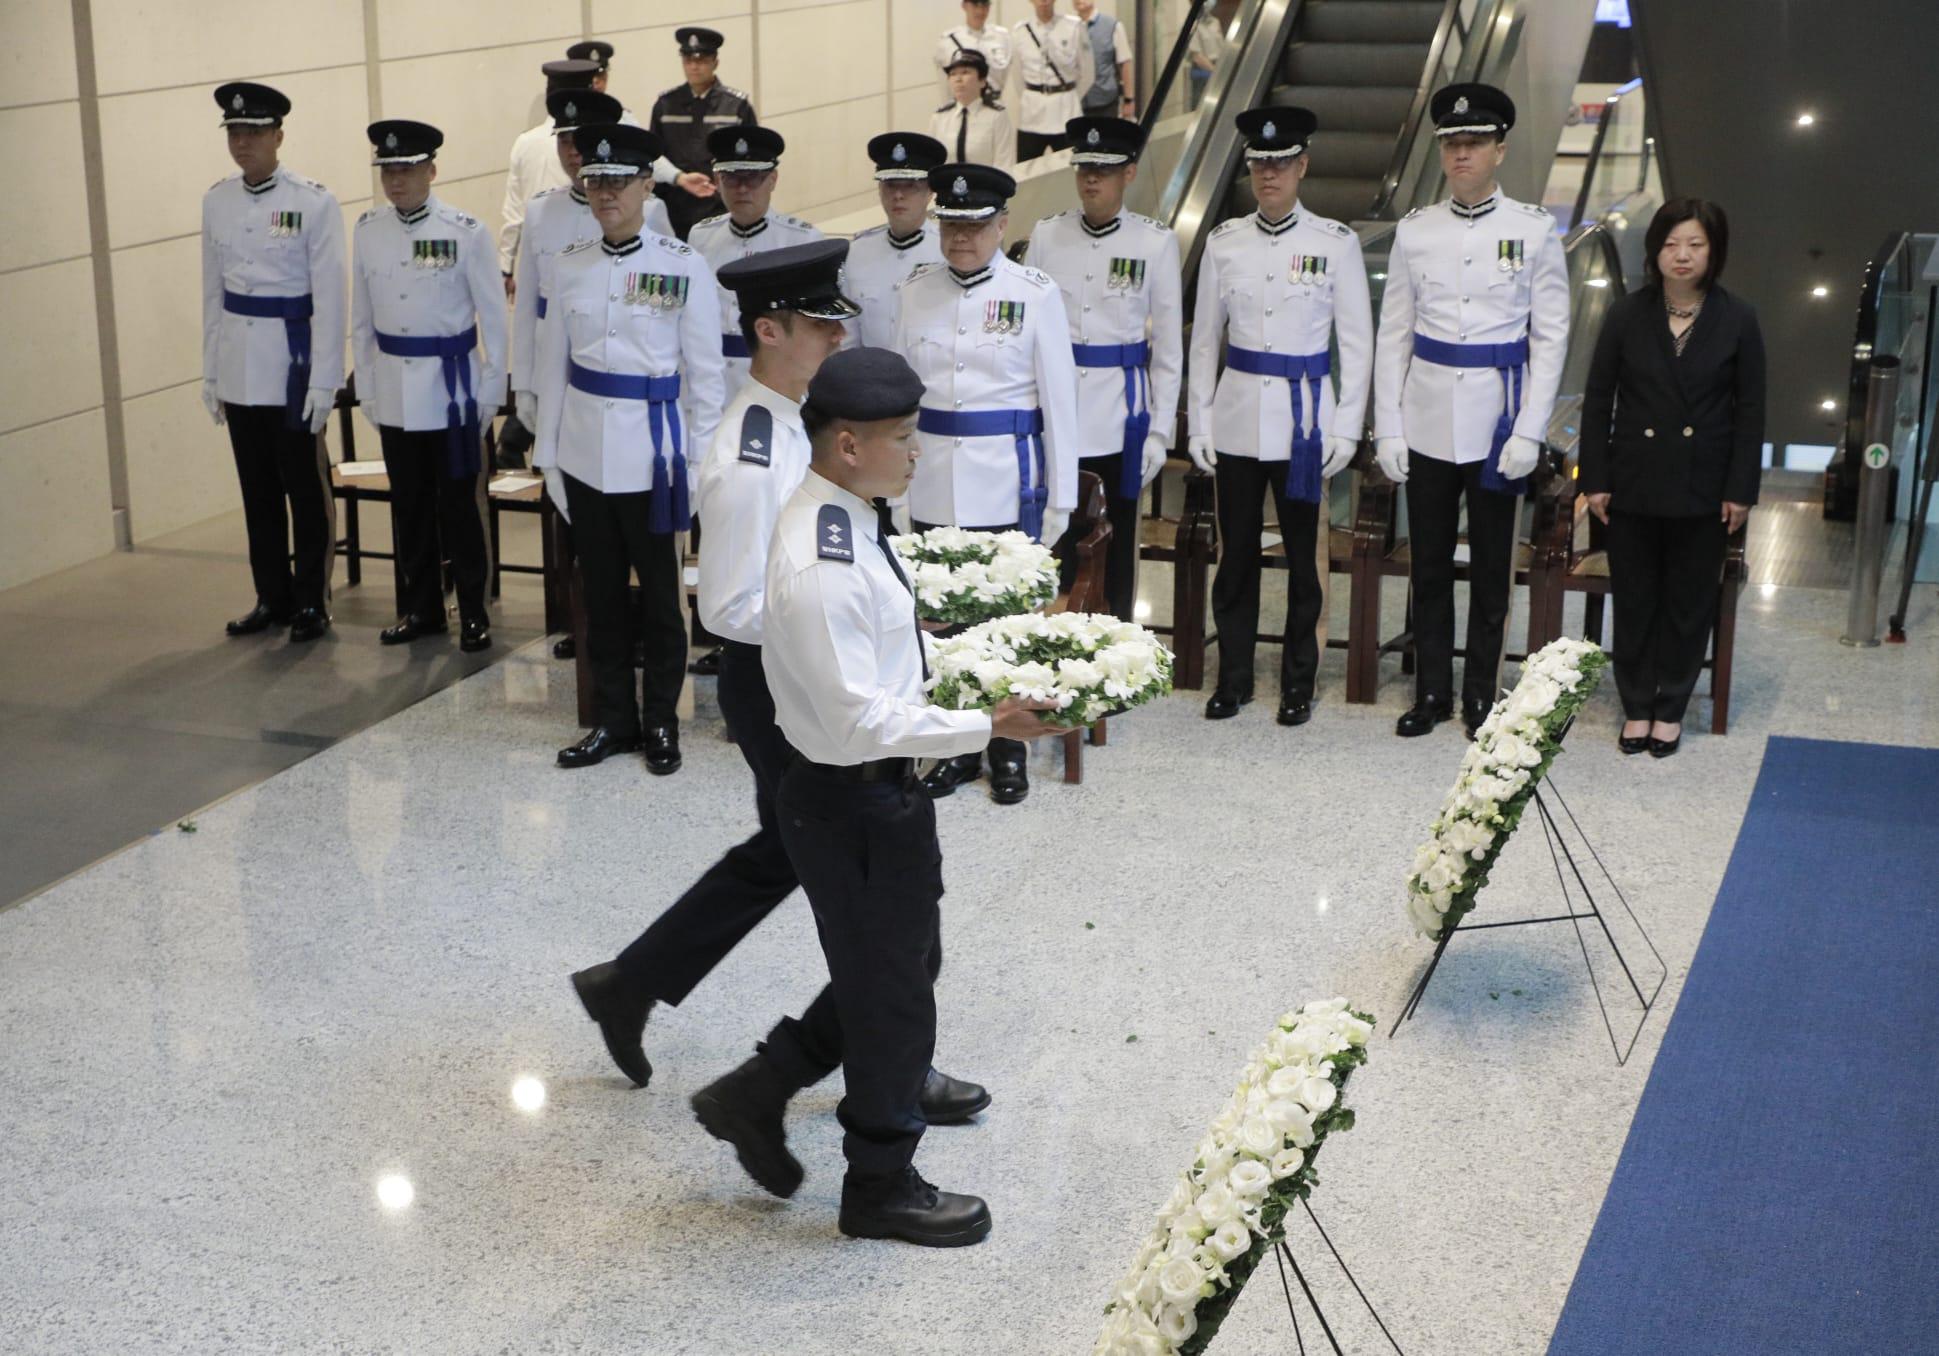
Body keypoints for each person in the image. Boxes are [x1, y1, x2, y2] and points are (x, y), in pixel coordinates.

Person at [569, 244, 990, 1195]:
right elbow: (728, 607)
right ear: (769, 333)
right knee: (855, 883)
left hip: (816, 671)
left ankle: (646, 989)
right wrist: (837, 634)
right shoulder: (757, 454)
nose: (840, 335)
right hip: (782, 684)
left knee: (821, 874)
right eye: (821, 325)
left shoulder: (803, 428)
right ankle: (837, 1061)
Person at [754, 345, 1071, 1245]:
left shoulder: (851, 514)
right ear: (847, 443)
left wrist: (951, 661)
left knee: (905, 963)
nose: (917, 451)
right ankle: (880, 1184)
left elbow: (883, 645)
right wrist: (988, 727)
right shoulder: (818, 559)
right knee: (888, 986)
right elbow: (854, 721)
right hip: (849, 795)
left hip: (880, 795)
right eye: (902, 437)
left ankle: (888, 1078)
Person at [1373, 83, 1569, 739]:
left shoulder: (1533, 231)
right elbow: (1393, 333)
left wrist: (1529, 430)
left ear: (1498, 150)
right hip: (1427, 417)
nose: (1461, 154)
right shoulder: (1415, 230)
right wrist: (1388, 426)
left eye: (1474, 143)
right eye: (1451, 144)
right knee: (1427, 566)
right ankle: (1430, 691)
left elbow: (1549, 338)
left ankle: (1479, 693)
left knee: (1490, 569)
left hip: (1496, 422)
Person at [532, 124, 725, 772]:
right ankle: (614, 721)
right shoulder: (570, 265)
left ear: (647, 184)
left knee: (665, 604)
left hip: (658, 457)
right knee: (603, 598)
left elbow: (705, 375)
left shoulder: (681, 265)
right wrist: (549, 458)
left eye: (618, 182)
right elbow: (551, 366)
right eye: (595, 181)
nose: (605, 193)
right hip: (586, 456)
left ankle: (661, 721)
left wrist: (699, 463)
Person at [897, 163, 1079, 805]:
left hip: (1007, 480)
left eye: (974, 226)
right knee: (943, 625)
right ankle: (953, 746)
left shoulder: (1034, 292)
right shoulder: (915, 290)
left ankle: (1009, 752)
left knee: (1006, 624)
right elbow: (902, 401)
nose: (960, 238)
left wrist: (1064, 496)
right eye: (950, 224)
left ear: (1002, 224)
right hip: (931, 481)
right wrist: (895, 491)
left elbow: (1060, 402)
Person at [1189, 107, 1372, 727]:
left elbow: (1357, 341)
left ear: (1303, 166)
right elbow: (1204, 342)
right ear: (1249, 171)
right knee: (1235, 555)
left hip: (1305, 426)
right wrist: (1199, 421)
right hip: (1238, 420)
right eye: (1259, 164)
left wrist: (1347, 425)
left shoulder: (1334, 244)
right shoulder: (1224, 242)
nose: (1269, 174)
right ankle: (1233, 678)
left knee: (1304, 562)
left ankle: (1299, 681)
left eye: (1281, 163)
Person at [1580, 199, 1762, 759]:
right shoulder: (1626, 314)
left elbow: (1751, 409)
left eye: (1695, 245)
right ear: (1655, 251)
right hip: (1633, 479)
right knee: (1635, 599)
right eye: (1671, 244)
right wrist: (1596, 479)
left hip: (1704, 486)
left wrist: (1740, 490)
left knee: (1688, 602)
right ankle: (1636, 704)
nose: (1682, 256)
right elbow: (1597, 400)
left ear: (1714, 251)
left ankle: (1671, 707)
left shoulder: (1737, 318)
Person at [350, 120, 507, 653]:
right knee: (409, 506)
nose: (396, 181)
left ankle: (473, 611)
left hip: (451, 391)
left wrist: (491, 389)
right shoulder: (369, 230)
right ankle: (420, 609)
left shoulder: (466, 231)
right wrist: (368, 387)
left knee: (459, 508)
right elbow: (361, 317)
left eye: (407, 169)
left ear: (431, 170)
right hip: (395, 387)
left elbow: (494, 316)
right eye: (388, 170)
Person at [200, 81, 344, 643]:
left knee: (304, 492)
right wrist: (211, 371)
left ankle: (311, 599)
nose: (243, 143)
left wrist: (324, 381)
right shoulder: (217, 200)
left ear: (279, 135)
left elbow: (331, 299)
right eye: (235, 133)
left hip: (292, 365)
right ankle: (271, 595)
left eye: (254, 133)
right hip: (239, 366)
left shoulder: (313, 201)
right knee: (256, 491)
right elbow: (211, 291)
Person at [1023, 116, 1181, 620]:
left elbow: (1168, 348)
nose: (1092, 180)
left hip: (1120, 417)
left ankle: (1116, 640)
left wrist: (1160, 431)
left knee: (1116, 537)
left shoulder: (1154, 243)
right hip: (1057, 412)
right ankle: (1053, 640)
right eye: (1085, 169)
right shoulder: (1048, 236)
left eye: (1105, 170)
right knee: (1056, 536)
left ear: (1129, 174)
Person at [689, 125, 823, 406]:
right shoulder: (701, 236)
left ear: (773, 179)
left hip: (776, 381)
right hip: (715, 381)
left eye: (753, 179)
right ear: (717, 179)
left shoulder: (801, 240)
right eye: (731, 178)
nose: (742, 189)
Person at [843, 133, 948, 351]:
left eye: (910, 185)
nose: (898, 195)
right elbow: (848, 335)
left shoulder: (947, 251)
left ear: (930, 191)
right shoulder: (857, 252)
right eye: (890, 185)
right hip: (872, 378)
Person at [650, 27, 755, 240]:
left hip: (720, 209)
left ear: (715, 62)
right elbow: (653, 155)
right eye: (688, 60)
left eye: (702, 60)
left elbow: (750, 161)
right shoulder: (666, 105)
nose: (694, 66)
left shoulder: (735, 106)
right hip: (675, 211)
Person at [1012, 0, 1093, 161]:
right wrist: (1034, 96)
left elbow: (1089, 73)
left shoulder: (1074, 27)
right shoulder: (1020, 31)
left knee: (1071, 170)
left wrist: (1070, 96)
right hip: (1031, 116)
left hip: (1066, 113)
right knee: (1026, 172)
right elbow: (1017, 77)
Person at [929, 50, 1017, 174]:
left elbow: (1004, 165)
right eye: (953, 74)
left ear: (982, 81)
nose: (958, 79)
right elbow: (933, 163)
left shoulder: (996, 116)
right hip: (947, 189)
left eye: (965, 72)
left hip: (985, 189)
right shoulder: (939, 117)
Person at [935, 0, 1011, 99]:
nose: (980, 11)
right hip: (964, 106)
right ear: (964, 6)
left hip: (994, 104)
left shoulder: (1002, 38)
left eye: (985, 5)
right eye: (975, 4)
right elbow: (945, 85)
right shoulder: (949, 42)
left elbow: (1006, 75)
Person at [1073, 0, 1134, 119]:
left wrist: (1129, 100)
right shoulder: (1069, 27)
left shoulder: (1112, 26)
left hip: (1105, 103)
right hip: (1076, 104)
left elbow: (1125, 63)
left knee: (1106, 137)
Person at [1187, 8, 1226, 110]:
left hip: (1218, 67)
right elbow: (1196, 56)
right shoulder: (1192, 25)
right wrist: (1214, 70)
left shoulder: (1215, 22)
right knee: (1201, 108)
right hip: (1202, 72)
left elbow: (1221, 46)